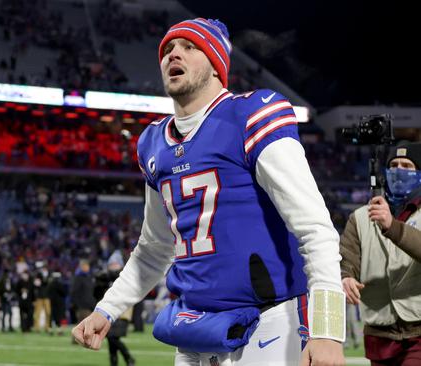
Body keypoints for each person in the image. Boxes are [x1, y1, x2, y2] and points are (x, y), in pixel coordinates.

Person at [72, 17, 345, 366]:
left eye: (189, 47)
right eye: (167, 49)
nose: (173, 54)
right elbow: (154, 248)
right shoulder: (153, 144)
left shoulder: (251, 114)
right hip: (194, 327)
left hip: (269, 323)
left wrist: (327, 330)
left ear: (216, 65)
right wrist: (107, 310)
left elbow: (315, 229)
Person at [340, 142, 421, 366]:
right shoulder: (359, 217)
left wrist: (391, 226)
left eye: (407, 165)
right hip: (380, 333)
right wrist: (346, 276)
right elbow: (347, 258)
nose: (399, 170)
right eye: (394, 165)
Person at [95, 251, 135, 366]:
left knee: (112, 337)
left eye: (115, 264)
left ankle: (128, 358)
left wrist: (107, 276)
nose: (112, 267)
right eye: (111, 264)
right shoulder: (106, 278)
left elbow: (118, 277)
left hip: (122, 312)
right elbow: (97, 295)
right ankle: (115, 362)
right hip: (109, 311)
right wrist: (99, 283)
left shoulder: (125, 275)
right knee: (110, 340)